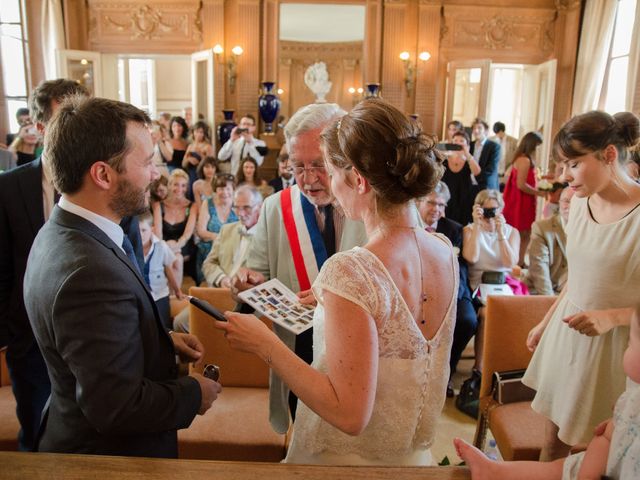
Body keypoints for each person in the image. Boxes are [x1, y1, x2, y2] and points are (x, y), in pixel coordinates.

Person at [219, 98, 457, 465]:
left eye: (327, 169)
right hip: (412, 457)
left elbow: (350, 415)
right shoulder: (444, 251)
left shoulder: (351, 270)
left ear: (358, 179)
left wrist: (265, 344)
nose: (319, 180)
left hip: (344, 461)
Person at [23, 96, 221, 457]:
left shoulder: (61, 229)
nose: (156, 174)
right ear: (102, 174)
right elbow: (116, 406)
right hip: (108, 458)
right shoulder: (90, 273)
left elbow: (88, 344)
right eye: (146, 162)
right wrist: (194, 394)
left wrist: (156, 339)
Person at [230, 102, 368, 435]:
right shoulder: (276, 208)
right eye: (298, 166)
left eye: (319, 166)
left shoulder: (373, 204)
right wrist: (245, 281)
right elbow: (255, 271)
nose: (308, 179)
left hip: (361, 356)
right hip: (298, 353)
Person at [522, 110, 640, 461]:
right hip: (568, 336)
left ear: (609, 155)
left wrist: (613, 317)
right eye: (561, 166)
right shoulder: (581, 204)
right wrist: (546, 323)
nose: (564, 177)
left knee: (598, 455)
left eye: (573, 164)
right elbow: (578, 277)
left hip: (617, 349)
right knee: (552, 446)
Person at [0, 79, 90, 452]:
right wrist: (10, 333)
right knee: (35, 434)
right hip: (30, 339)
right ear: (39, 127)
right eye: (63, 120)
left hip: (91, 340)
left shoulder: (101, 179)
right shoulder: (8, 188)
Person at [454, 304, 640, 480]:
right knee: (557, 468)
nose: (626, 349)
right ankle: (493, 471)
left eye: (630, 344)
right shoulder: (632, 397)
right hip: (601, 462)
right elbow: (607, 439)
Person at [172, 185, 263, 334]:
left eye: (246, 208)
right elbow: (208, 263)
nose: (240, 213)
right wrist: (221, 278)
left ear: (259, 207)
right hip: (217, 294)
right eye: (236, 207)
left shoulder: (266, 237)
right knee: (180, 323)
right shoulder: (227, 230)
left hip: (245, 304)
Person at [417, 181, 477, 398]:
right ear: (418, 202)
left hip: (450, 290)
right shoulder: (409, 227)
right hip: (416, 290)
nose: (437, 209)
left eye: (442, 205)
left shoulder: (454, 229)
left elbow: (460, 269)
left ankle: (447, 371)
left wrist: (454, 296)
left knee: (467, 320)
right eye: (432, 203)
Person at [502, 131, 547, 266]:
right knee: (521, 232)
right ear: (532, 145)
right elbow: (521, 185)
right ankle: (517, 261)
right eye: (538, 145)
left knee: (526, 231)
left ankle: (520, 260)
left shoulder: (526, 159)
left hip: (526, 200)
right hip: (520, 201)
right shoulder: (524, 160)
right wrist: (538, 193)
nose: (539, 148)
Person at [138, 212, 185, 329]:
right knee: (146, 326)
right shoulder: (132, 248)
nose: (140, 235)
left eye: (143, 230)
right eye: (137, 231)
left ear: (152, 229)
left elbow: (168, 269)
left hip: (160, 294)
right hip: (142, 295)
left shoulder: (161, 246)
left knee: (164, 326)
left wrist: (177, 290)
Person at [152, 169, 198, 285]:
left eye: (183, 185)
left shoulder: (192, 206)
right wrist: (166, 247)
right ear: (170, 185)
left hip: (183, 245)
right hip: (163, 243)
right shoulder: (159, 205)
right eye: (176, 184)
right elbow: (158, 234)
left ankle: (174, 296)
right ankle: (173, 296)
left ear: (187, 188)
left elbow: (187, 234)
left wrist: (176, 245)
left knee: (178, 257)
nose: (179, 189)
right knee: (177, 258)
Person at [525, 186, 574, 295]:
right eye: (566, 201)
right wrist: (551, 302)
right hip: (543, 291)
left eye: (575, 202)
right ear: (559, 202)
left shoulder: (589, 230)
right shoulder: (542, 228)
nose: (570, 207)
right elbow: (539, 269)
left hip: (571, 294)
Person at [195, 174, 237, 283]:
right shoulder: (208, 203)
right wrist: (219, 238)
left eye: (228, 188)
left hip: (233, 247)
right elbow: (201, 231)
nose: (225, 192)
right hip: (209, 247)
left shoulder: (237, 204)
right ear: (215, 189)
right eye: (221, 188)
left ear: (233, 189)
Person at [441, 130, 482, 226]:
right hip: (446, 199)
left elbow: (477, 173)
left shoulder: (469, 161)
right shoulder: (445, 159)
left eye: (461, 141)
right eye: (455, 140)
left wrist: (467, 154)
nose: (458, 143)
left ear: (467, 145)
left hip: (464, 201)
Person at [182, 121, 215, 200]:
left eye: (201, 132)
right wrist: (189, 160)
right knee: (190, 194)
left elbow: (212, 164)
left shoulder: (208, 147)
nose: (199, 134)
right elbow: (183, 164)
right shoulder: (190, 146)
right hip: (190, 174)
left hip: (201, 175)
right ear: (193, 132)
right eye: (197, 131)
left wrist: (200, 156)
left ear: (205, 134)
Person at [470, 118, 501, 191]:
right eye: (474, 128)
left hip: (486, 186)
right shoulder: (470, 145)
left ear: (486, 131)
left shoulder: (494, 147)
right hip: (470, 185)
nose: (476, 131)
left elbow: (491, 169)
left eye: (479, 128)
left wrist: (474, 177)